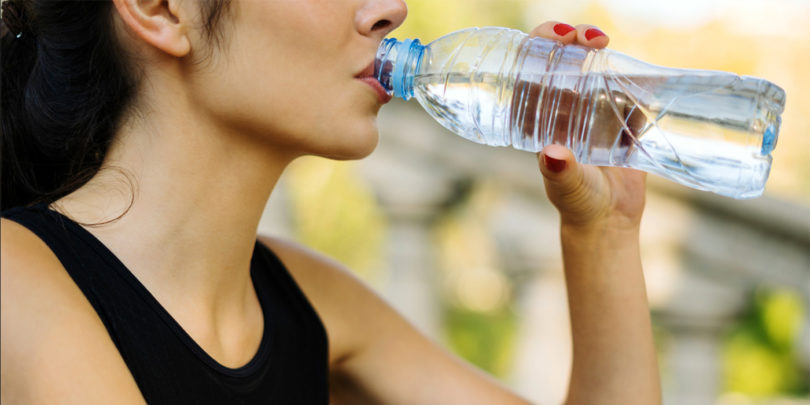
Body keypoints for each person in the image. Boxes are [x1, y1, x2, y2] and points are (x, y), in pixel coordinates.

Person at [0, 0, 661, 404]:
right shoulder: (14, 281)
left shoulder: (310, 302)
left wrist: (603, 228)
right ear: (161, 8)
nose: (391, 9)